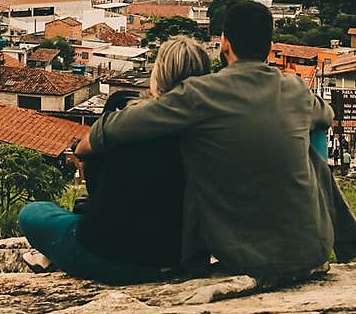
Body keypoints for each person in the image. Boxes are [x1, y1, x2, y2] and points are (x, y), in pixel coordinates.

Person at [75, 0, 356, 281]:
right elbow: (325, 116)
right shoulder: (294, 89)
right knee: (311, 133)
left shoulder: (200, 93)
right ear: (270, 47)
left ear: (224, 42)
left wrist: (86, 144)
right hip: (313, 249)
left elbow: (120, 126)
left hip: (245, 256)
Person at [18, 35, 211, 283]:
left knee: (34, 212)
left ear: (159, 75)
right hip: (173, 258)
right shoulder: (211, 134)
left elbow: (93, 176)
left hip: (106, 257)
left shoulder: (127, 123)